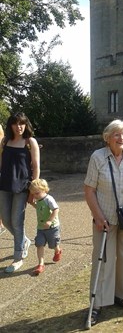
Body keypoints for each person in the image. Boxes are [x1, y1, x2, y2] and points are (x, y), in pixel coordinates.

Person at [84, 119, 123, 327]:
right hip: (105, 219)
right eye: (117, 134)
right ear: (107, 137)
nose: (121, 138)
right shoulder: (98, 157)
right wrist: (98, 217)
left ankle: (121, 295)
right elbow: (89, 190)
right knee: (103, 260)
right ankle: (98, 303)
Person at [0, 112, 40, 273]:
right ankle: (24, 240)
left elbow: (36, 167)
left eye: (22, 123)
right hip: (4, 186)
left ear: (26, 124)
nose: (19, 127)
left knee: (17, 222)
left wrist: (33, 190)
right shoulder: (5, 141)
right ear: (10, 126)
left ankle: (18, 258)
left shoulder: (30, 142)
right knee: (6, 220)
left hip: (22, 187)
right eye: (16, 124)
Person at [28, 178, 62, 275]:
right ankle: (41, 264)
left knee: (53, 244)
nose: (35, 196)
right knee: (39, 244)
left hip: (52, 227)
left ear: (44, 190)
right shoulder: (38, 200)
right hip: (41, 228)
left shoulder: (49, 199)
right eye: (33, 194)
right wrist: (33, 204)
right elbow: (39, 207)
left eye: (37, 193)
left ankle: (58, 251)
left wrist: (49, 221)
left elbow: (56, 209)